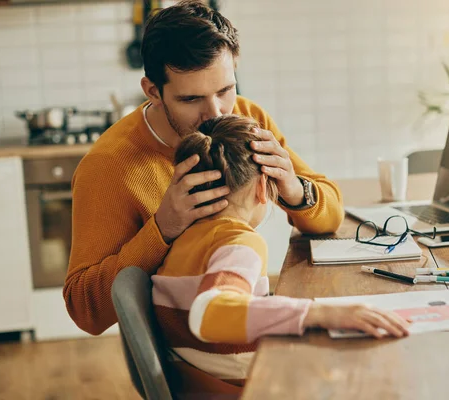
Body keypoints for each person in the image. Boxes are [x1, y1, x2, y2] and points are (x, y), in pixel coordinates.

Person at [64, 0, 343, 336]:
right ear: (153, 91)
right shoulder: (108, 167)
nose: (217, 113)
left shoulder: (247, 117)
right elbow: (84, 311)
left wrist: (297, 190)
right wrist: (162, 229)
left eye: (225, 90)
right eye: (191, 99)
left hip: (243, 324)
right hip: (191, 365)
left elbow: (333, 214)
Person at [153, 114, 410, 395]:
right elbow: (210, 313)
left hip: (199, 382)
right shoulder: (239, 243)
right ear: (264, 188)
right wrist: (320, 313)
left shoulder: (181, 238)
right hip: (248, 387)